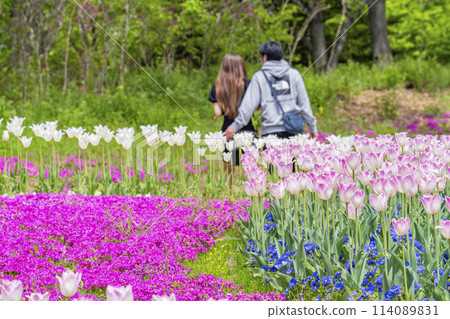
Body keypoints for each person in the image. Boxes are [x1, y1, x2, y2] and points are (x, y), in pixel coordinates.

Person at [225, 40, 318, 140]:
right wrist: (313, 128)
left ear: (264, 57)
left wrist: (234, 126)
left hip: (270, 135)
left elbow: (248, 106)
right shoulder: (294, 74)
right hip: (294, 133)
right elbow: (305, 104)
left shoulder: (259, 77)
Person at [209, 53, 257, 169]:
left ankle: (229, 187)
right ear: (241, 67)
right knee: (250, 168)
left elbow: (217, 113)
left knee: (229, 168)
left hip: (228, 130)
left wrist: (223, 103)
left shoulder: (218, 87)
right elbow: (255, 106)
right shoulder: (248, 84)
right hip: (247, 129)